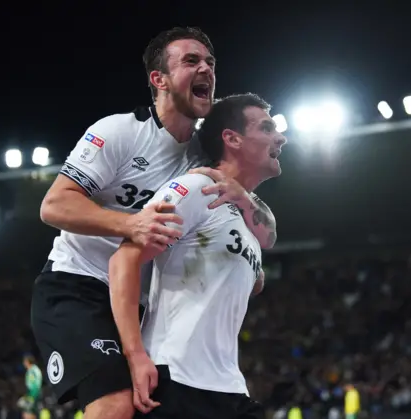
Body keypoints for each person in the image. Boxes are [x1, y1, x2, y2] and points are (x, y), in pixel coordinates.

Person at [31, 27, 278, 419]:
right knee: (115, 407)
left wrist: (244, 206)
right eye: (191, 61)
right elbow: (54, 205)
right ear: (158, 79)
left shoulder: (203, 157)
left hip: (138, 303)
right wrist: (130, 225)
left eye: (211, 63)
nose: (206, 69)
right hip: (78, 286)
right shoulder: (120, 132)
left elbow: (264, 232)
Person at [108, 93, 286, 418]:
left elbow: (260, 265)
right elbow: (124, 259)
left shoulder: (246, 219)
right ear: (232, 139)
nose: (281, 137)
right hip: (177, 381)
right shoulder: (195, 189)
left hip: (228, 388)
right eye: (266, 128)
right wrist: (134, 356)